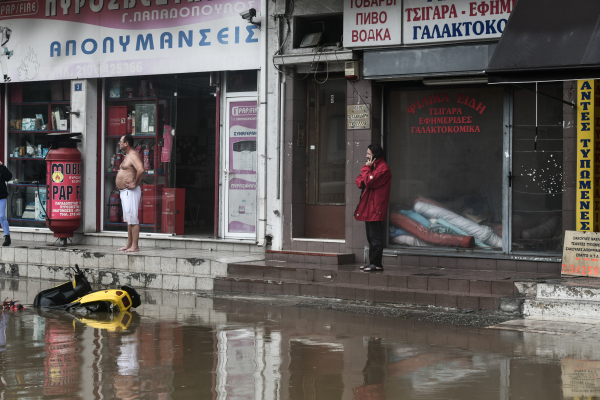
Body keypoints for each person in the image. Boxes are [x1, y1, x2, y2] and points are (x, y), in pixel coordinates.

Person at [354, 144, 391, 272]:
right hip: (368, 206)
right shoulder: (373, 167)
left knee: (375, 237)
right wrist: (367, 173)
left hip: (376, 207)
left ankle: (377, 263)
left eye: (369, 154)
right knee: (370, 236)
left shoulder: (383, 169)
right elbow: (359, 181)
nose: (366, 156)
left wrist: (367, 171)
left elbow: (369, 181)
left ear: (375, 154)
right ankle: (372, 262)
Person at [116, 134, 144, 252]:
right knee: (129, 219)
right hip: (125, 191)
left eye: (121, 141)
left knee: (133, 219)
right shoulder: (127, 155)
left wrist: (135, 183)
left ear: (126, 143)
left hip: (130, 191)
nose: (119, 143)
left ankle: (135, 246)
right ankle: (129, 244)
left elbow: (141, 169)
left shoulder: (133, 155)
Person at [0, 161, 12, 246]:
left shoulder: (1, 169)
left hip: (1, 196)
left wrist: (1, 166)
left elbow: (8, 177)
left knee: (1, 216)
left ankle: (7, 237)